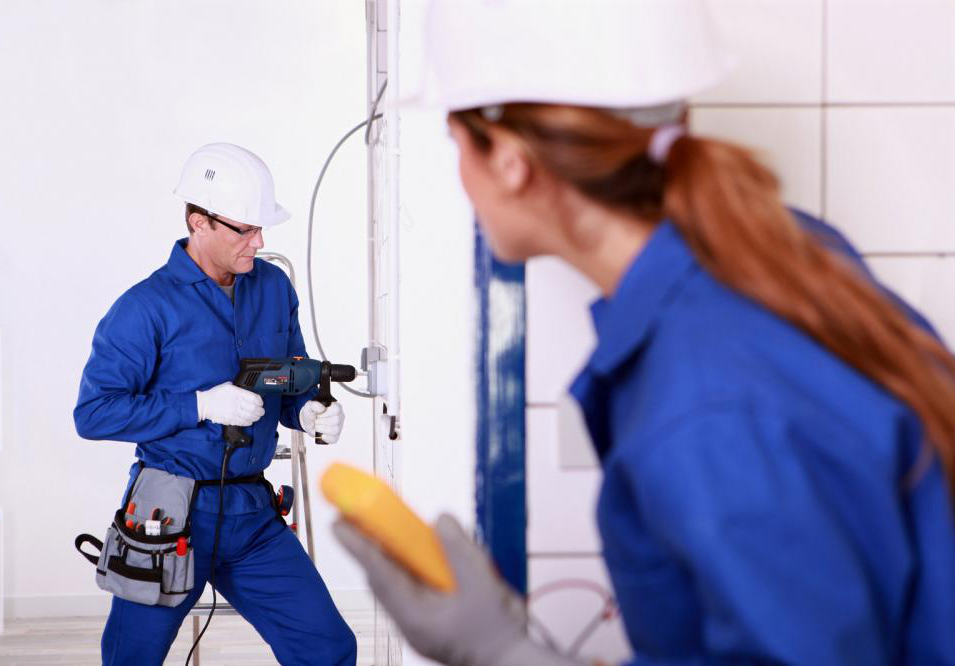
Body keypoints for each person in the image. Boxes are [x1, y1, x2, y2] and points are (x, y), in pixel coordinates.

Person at [333, 2, 955, 665]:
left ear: (512, 161)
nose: (460, 176)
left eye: (456, 143)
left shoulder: (705, 405)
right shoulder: (782, 248)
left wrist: (507, 654)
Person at [75, 142, 357, 665]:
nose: (260, 241)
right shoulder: (145, 307)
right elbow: (93, 413)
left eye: (261, 228)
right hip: (171, 515)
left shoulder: (273, 286)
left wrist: (308, 413)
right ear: (198, 221)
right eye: (245, 229)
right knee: (132, 659)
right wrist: (199, 406)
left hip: (252, 514)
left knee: (328, 647)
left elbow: (285, 381)